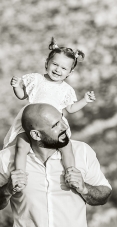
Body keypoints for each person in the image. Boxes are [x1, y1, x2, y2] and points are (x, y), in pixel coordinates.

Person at [6, 37, 95, 186]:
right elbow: (22, 96)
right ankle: (19, 177)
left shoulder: (66, 90)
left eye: (64, 68)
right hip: (31, 119)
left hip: (54, 124)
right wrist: (16, 87)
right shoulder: (36, 79)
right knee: (22, 145)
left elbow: (71, 109)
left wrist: (85, 100)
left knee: (66, 146)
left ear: (70, 73)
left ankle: (71, 172)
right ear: (46, 63)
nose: (58, 70)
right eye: (55, 64)